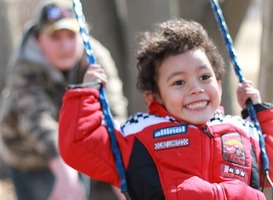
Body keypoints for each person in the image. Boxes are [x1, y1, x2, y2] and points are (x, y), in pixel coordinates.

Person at [58, 18, 273, 200]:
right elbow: (79, 145)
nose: (196, 89)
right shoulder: (139, 136)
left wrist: (262, 114)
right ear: (154, 96)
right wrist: (86, 93)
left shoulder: (242, 132)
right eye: (179, 82)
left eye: (204, 77)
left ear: (218, 83)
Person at [0, 0, 128, 200]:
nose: (65, 45)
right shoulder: (24, 64)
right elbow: (36, 119)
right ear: (39, 38)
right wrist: (66, 173)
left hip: (75, 147)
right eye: (55, 37)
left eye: (71, 35)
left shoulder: (95, 58)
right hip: (29, 156)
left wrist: (119, 164)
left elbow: (112, 107)